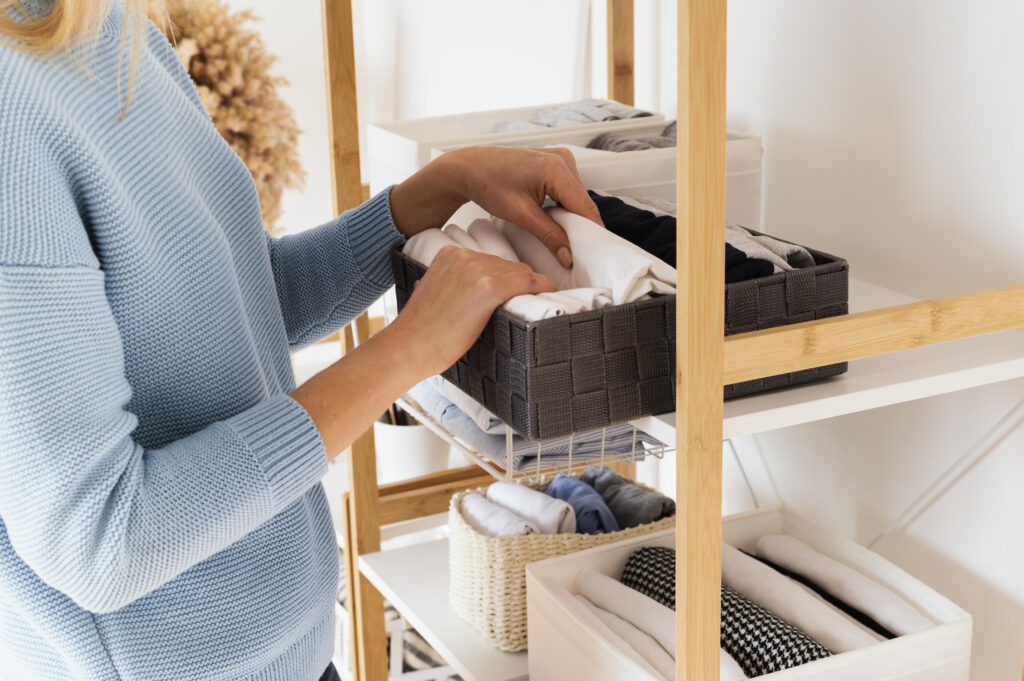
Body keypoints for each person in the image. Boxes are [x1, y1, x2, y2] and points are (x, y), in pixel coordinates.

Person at [0, 1, 603, 678]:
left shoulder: (116, 31)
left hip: (299, 649)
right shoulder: (11, 115)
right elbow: (103, 540)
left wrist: (441, 188)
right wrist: (405, 350)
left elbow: (244, 302)